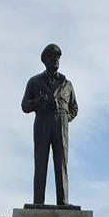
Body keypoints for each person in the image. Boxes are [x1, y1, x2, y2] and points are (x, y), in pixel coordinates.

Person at [21, 43, 78, 205]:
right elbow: (25, 105)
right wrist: (38, 102)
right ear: (44, 60)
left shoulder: (67, 84)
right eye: (53, 57)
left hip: (61, 125)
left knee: (61, 163)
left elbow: (74, 107)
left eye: (58, 57)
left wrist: (66, 118)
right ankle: (38, 201)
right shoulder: (35, 81)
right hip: (42, 123)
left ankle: (63, 201)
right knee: (41, 162)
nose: (56, 60)